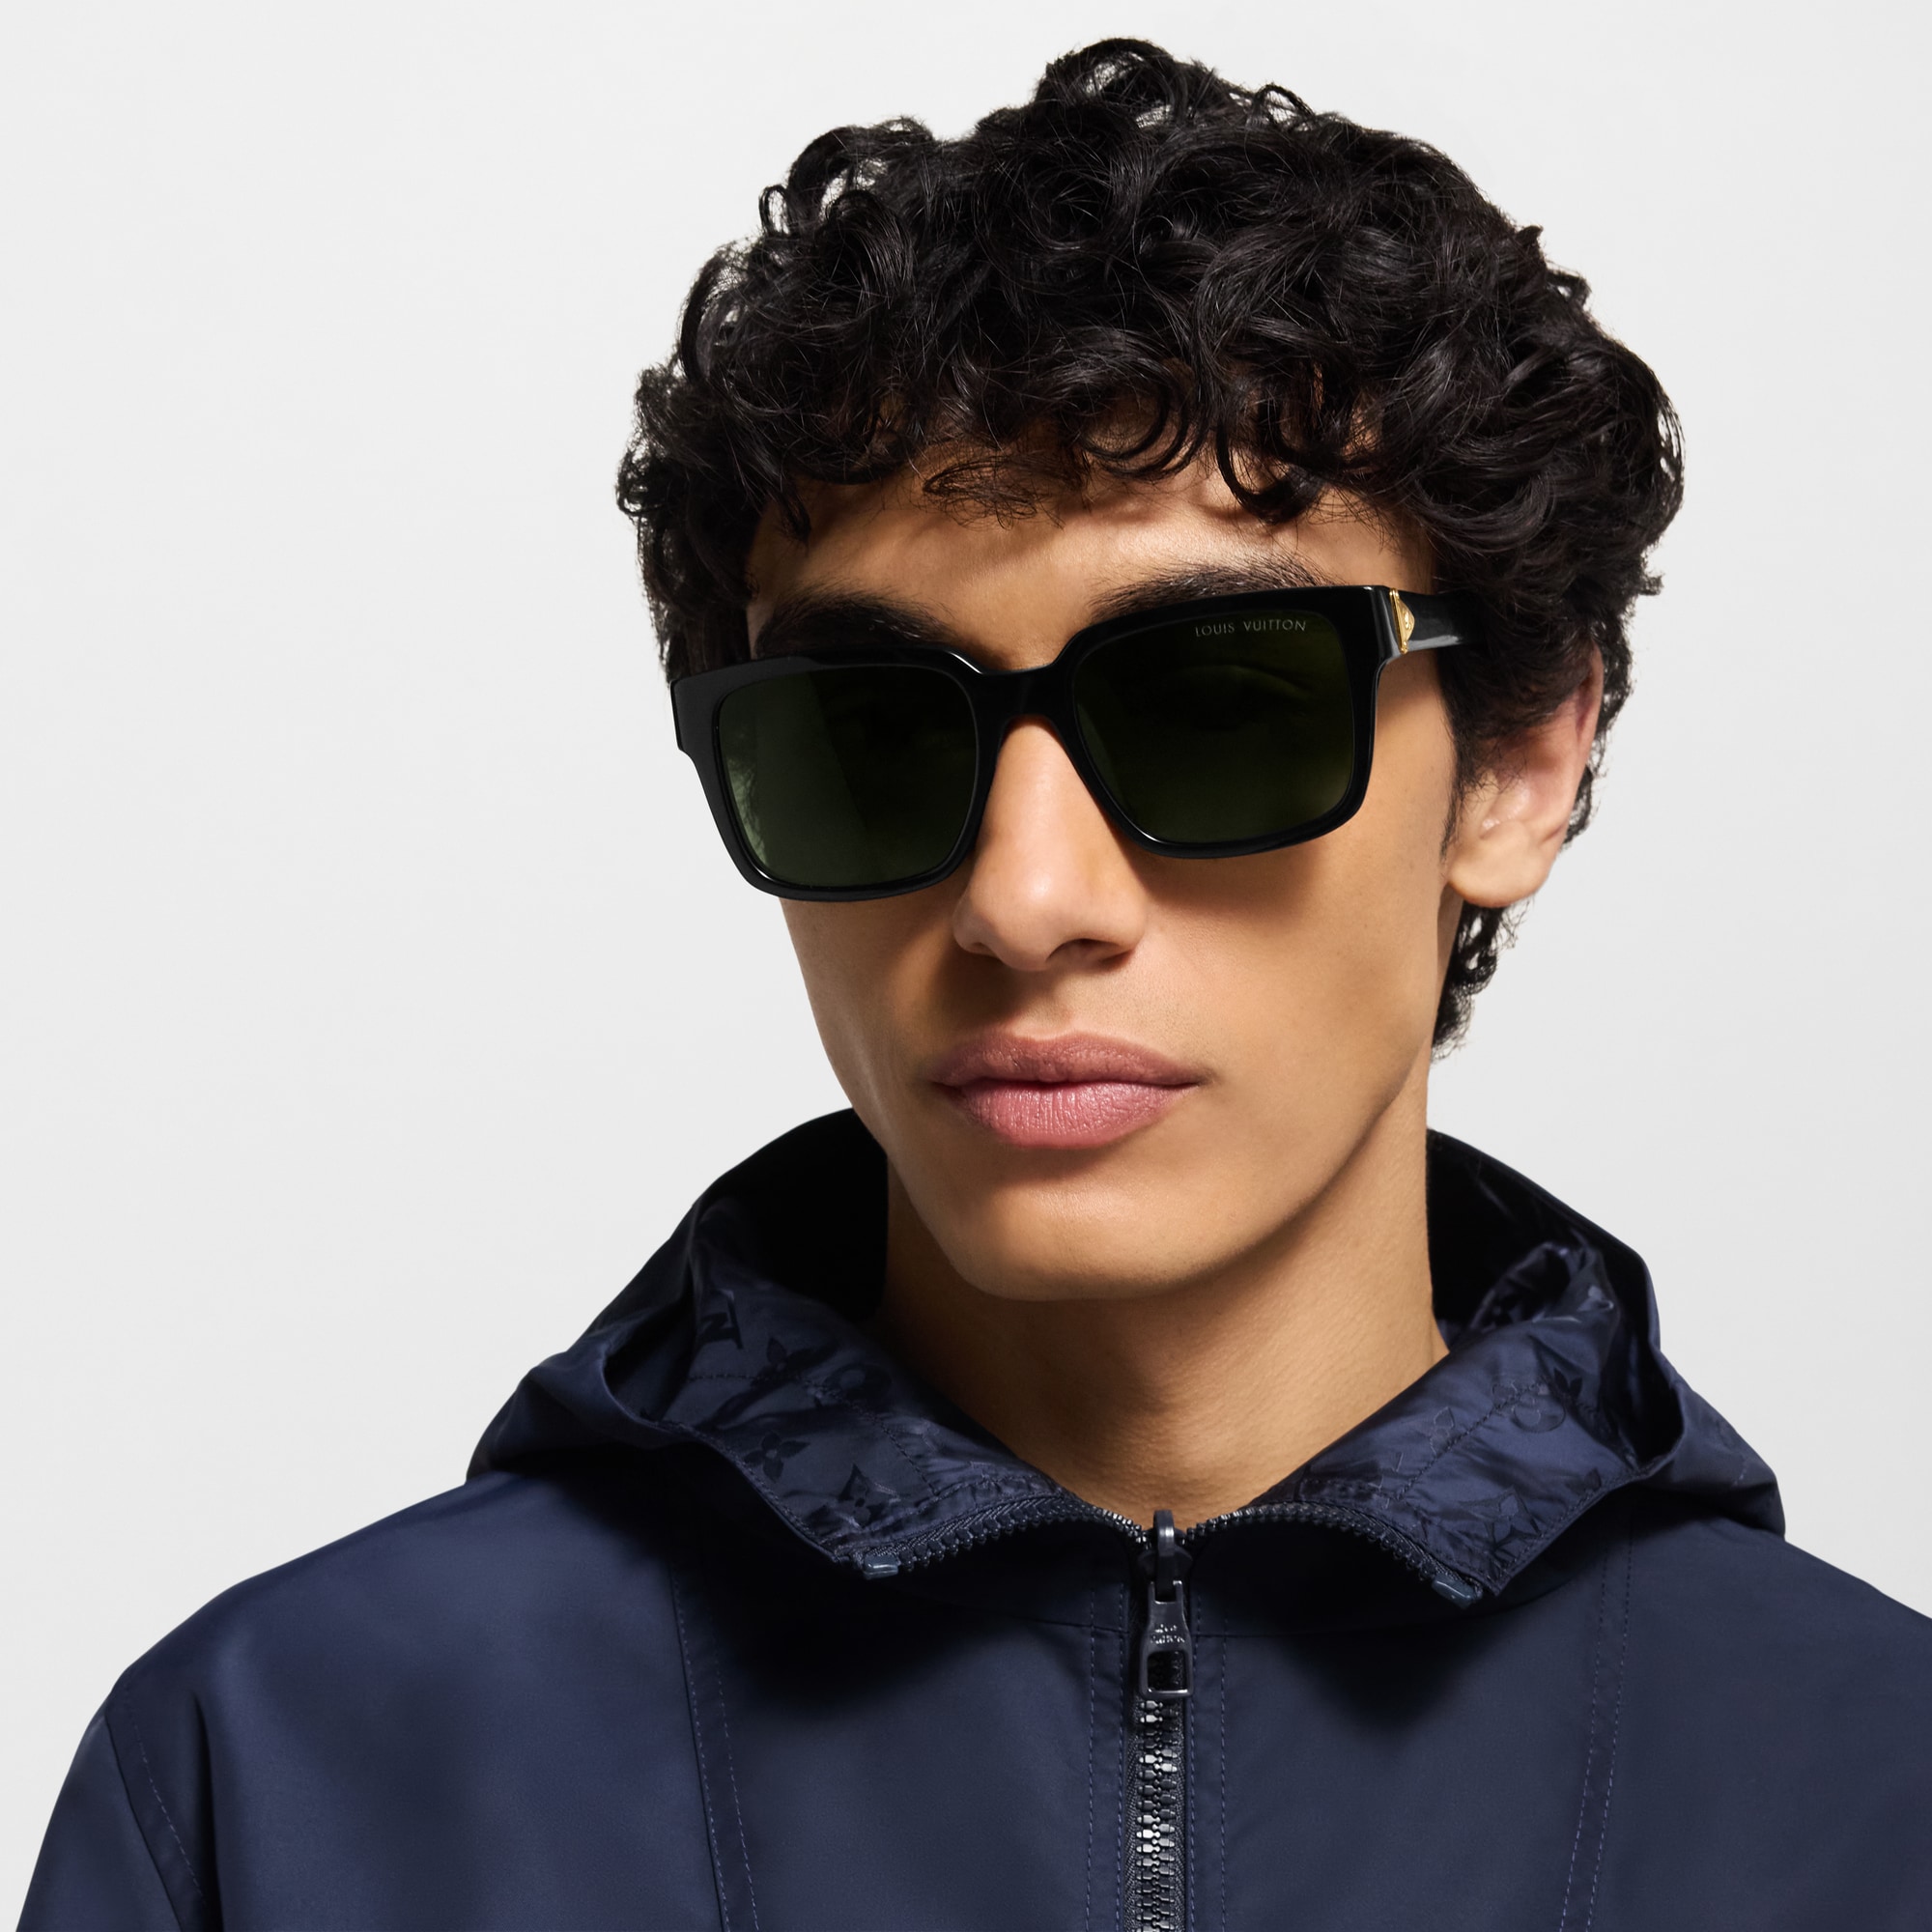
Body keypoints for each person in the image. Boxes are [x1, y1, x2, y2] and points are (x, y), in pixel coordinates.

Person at [22, 39, 1932, 1932]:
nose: (1024, 900)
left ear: (1519, 763)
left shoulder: (1875, 1794)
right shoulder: (288, 1773)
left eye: (1217, 711)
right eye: (865, 731)